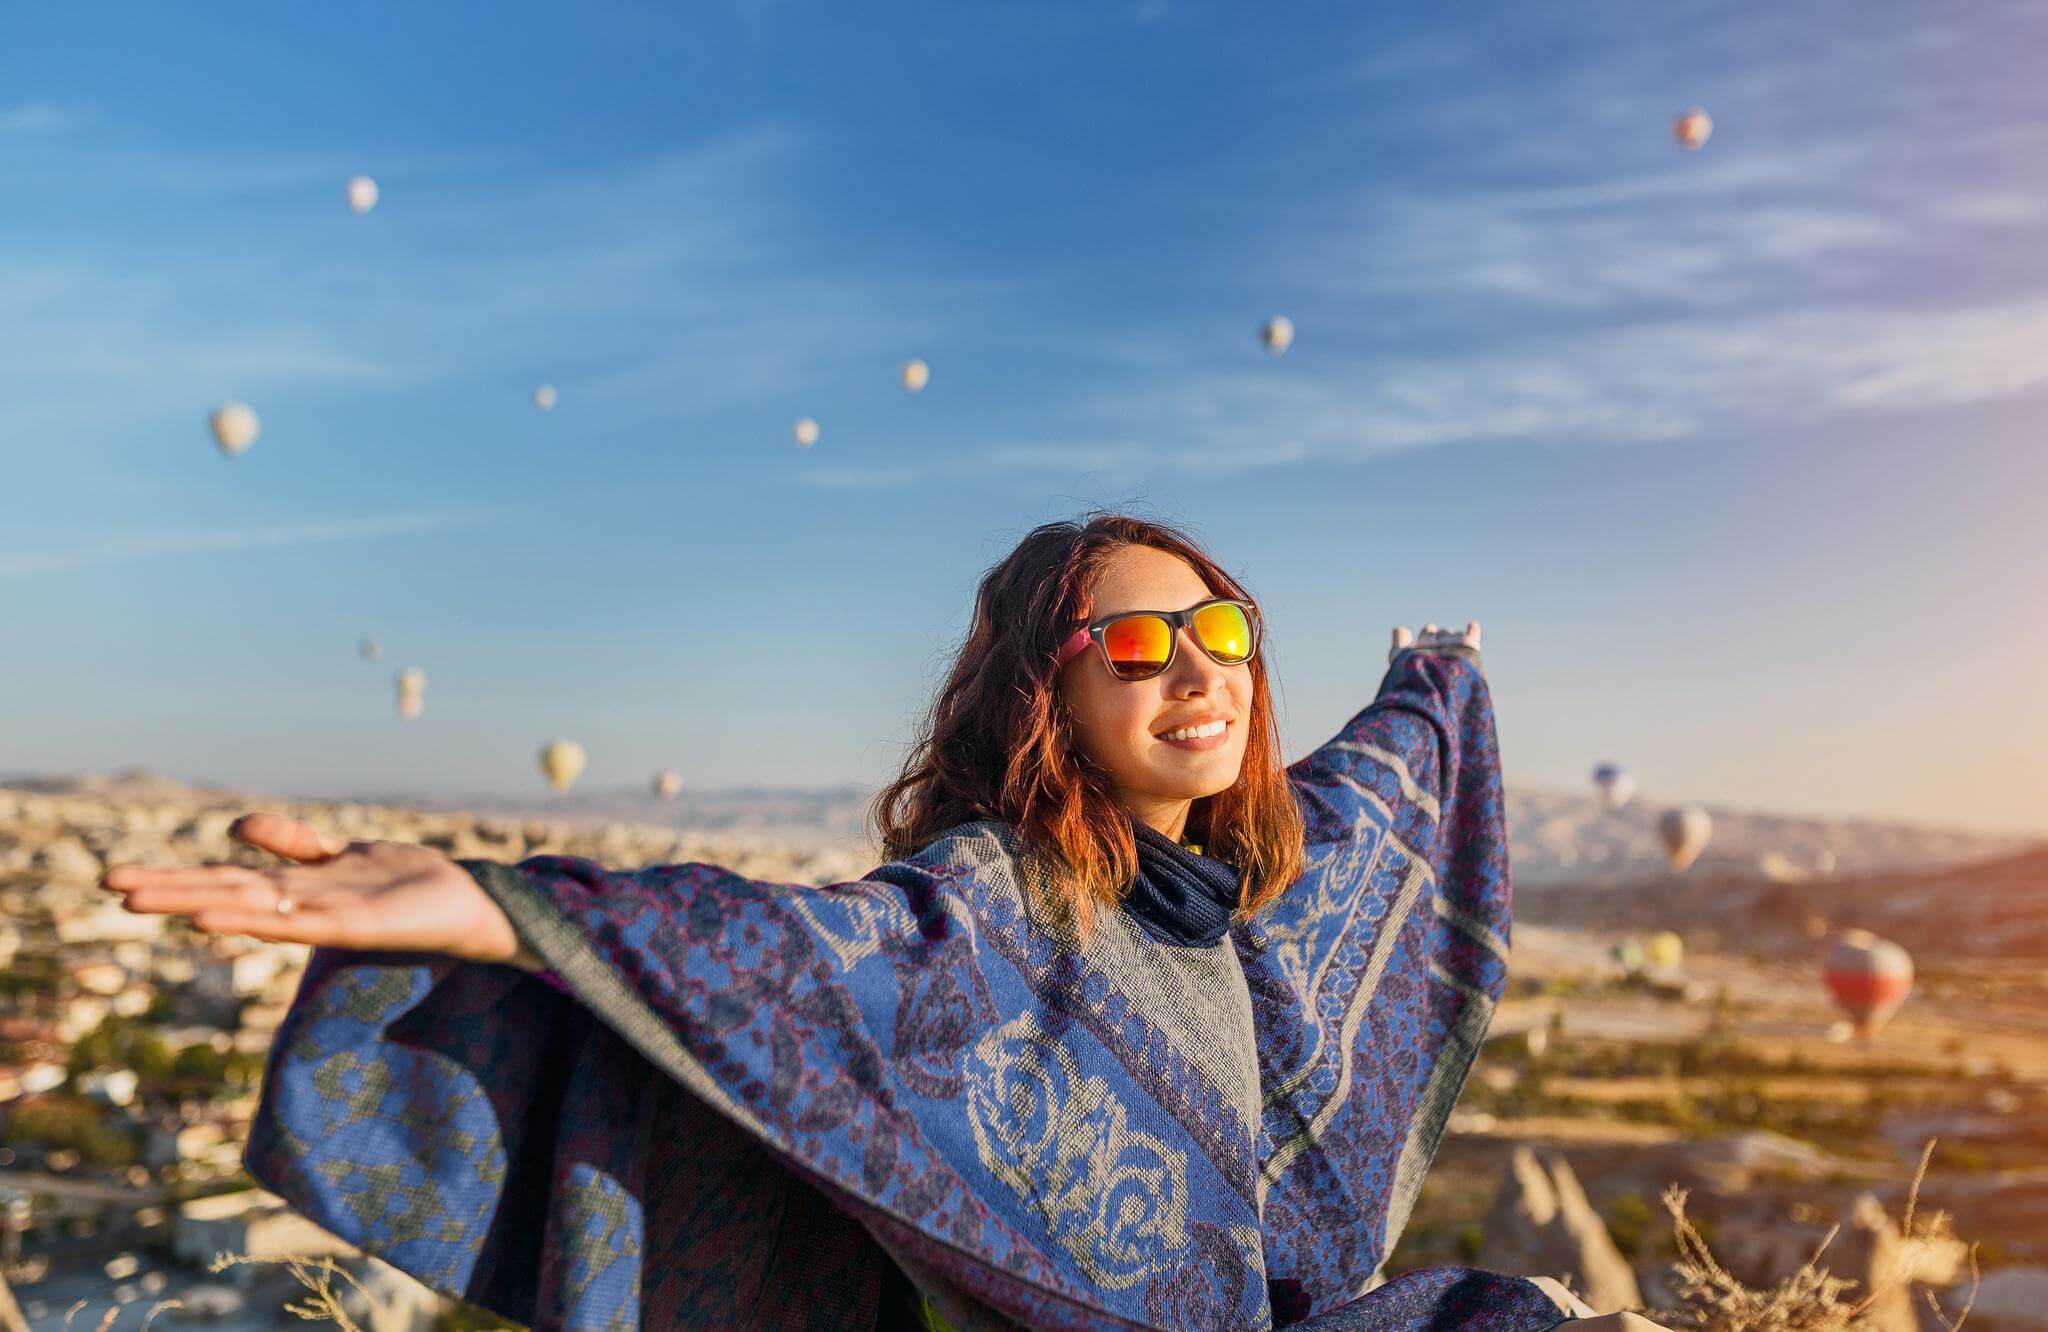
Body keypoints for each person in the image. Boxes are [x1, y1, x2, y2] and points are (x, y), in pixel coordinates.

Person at [104, 511, 1664, 1331]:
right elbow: (788, 959)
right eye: (1136, 641)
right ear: (1045, 692)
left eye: (1223, 630)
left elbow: (1388, 793)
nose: (1197, 671)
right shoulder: (1004, 898)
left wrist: (1437, 683)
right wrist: (496, 905)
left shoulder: (1248, 884)